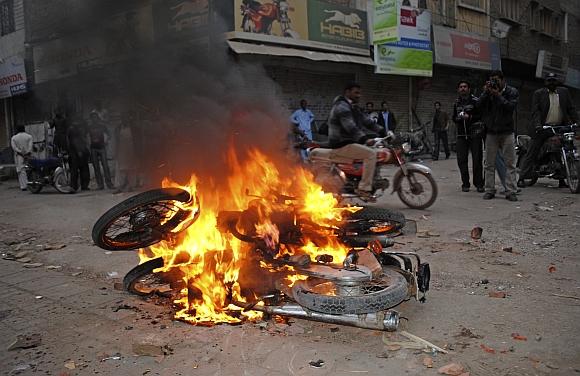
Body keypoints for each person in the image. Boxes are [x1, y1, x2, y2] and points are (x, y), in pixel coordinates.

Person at [518, 72, 579, 188]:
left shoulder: (564, 92)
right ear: (545, 82)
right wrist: (538, 125)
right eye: (549, 80)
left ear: (557, 82)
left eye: (553, 80)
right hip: (543, 128)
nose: (552, 83)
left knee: (566, 148)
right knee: (532, 151)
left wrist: (577, 122)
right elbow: (535, 111)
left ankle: (562, 178)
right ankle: (522, 177)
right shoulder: (538, 93)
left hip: (560, 127)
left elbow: (571, 109)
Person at [325, 82, 383, 200]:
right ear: (347, 92)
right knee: (371, 154)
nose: (359, 95)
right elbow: (350, 127)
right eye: (356, 92)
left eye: (360, 93)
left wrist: (384, 132)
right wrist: (365, 139)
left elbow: (368, 121)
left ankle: (364, 179)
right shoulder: (341, 106)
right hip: (341, 144)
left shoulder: (354, 107)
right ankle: (363, 189)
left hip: (350, 143)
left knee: (376, 151)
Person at [477, 70, 519, 201]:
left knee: (510, 163)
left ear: (502, 80)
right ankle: (490, 189)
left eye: (496, 80)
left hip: (507, 132)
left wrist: (498, 95)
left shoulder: (512, 92)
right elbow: (478, 106)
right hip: (491, 132)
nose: (495, 83)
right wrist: (485, 92)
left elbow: (510, 107)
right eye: (492, 80)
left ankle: (511, 191)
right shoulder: (488, 93)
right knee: (489, 163)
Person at [453, 80, 484, 192]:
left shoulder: (476, 101)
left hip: (474, 134)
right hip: (461, 135)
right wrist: (458, 118)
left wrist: (469, 117)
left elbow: (480, 116)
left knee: (477, 160)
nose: (463, 88)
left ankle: (479, 184)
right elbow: (454, 117)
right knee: (461, 160)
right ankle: (465, 184)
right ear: (458, 89)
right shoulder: (456, 103)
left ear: (469, 89)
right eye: (461, 87)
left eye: (465, 86)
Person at [88, 111, 114, 190]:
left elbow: (109, 134)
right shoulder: (89, 127)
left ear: (98, 118)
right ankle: (100, 185)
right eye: (93, 117)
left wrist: (106, 141)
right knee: (96, 167)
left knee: (105, 166)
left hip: (101, 147)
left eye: (95, 117)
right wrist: (88, 144)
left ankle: (109, 184)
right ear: (91, 119)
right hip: (93, 148)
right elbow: (86, 136)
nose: (94, 119)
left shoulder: (102, 126)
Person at [67, 115, 91, 192]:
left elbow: (82, 139)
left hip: (80, 151)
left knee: (83, 169)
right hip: (76, 152)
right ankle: (74, 186)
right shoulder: (73, 129)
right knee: (76, 170)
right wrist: (79, 151)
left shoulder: (78, 128)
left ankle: (82, 185)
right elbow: (74, 141)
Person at [114, 112, 137, 193]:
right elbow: (116, 140)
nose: (125, 120)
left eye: (126, 118)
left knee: (132, 169)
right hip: (121, 151)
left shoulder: (133, 128)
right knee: (120, 170)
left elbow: (137, 140)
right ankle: (119, 187)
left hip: (131, 151)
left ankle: (131, 186)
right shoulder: (118, 128)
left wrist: (137, 151)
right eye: (123, 118)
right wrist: (116, 151)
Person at [10, 126, 33, 191]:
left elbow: (14, 147)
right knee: (30, 168)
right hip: (28, 155)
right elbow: (30, 146)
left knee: (21, 170)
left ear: (17, 130)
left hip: (19, 156)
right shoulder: (29, 136)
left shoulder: (14, 138)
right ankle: (31, 184)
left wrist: (20, 152)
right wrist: (27, 152)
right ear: (24, 129)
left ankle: (23, 186)